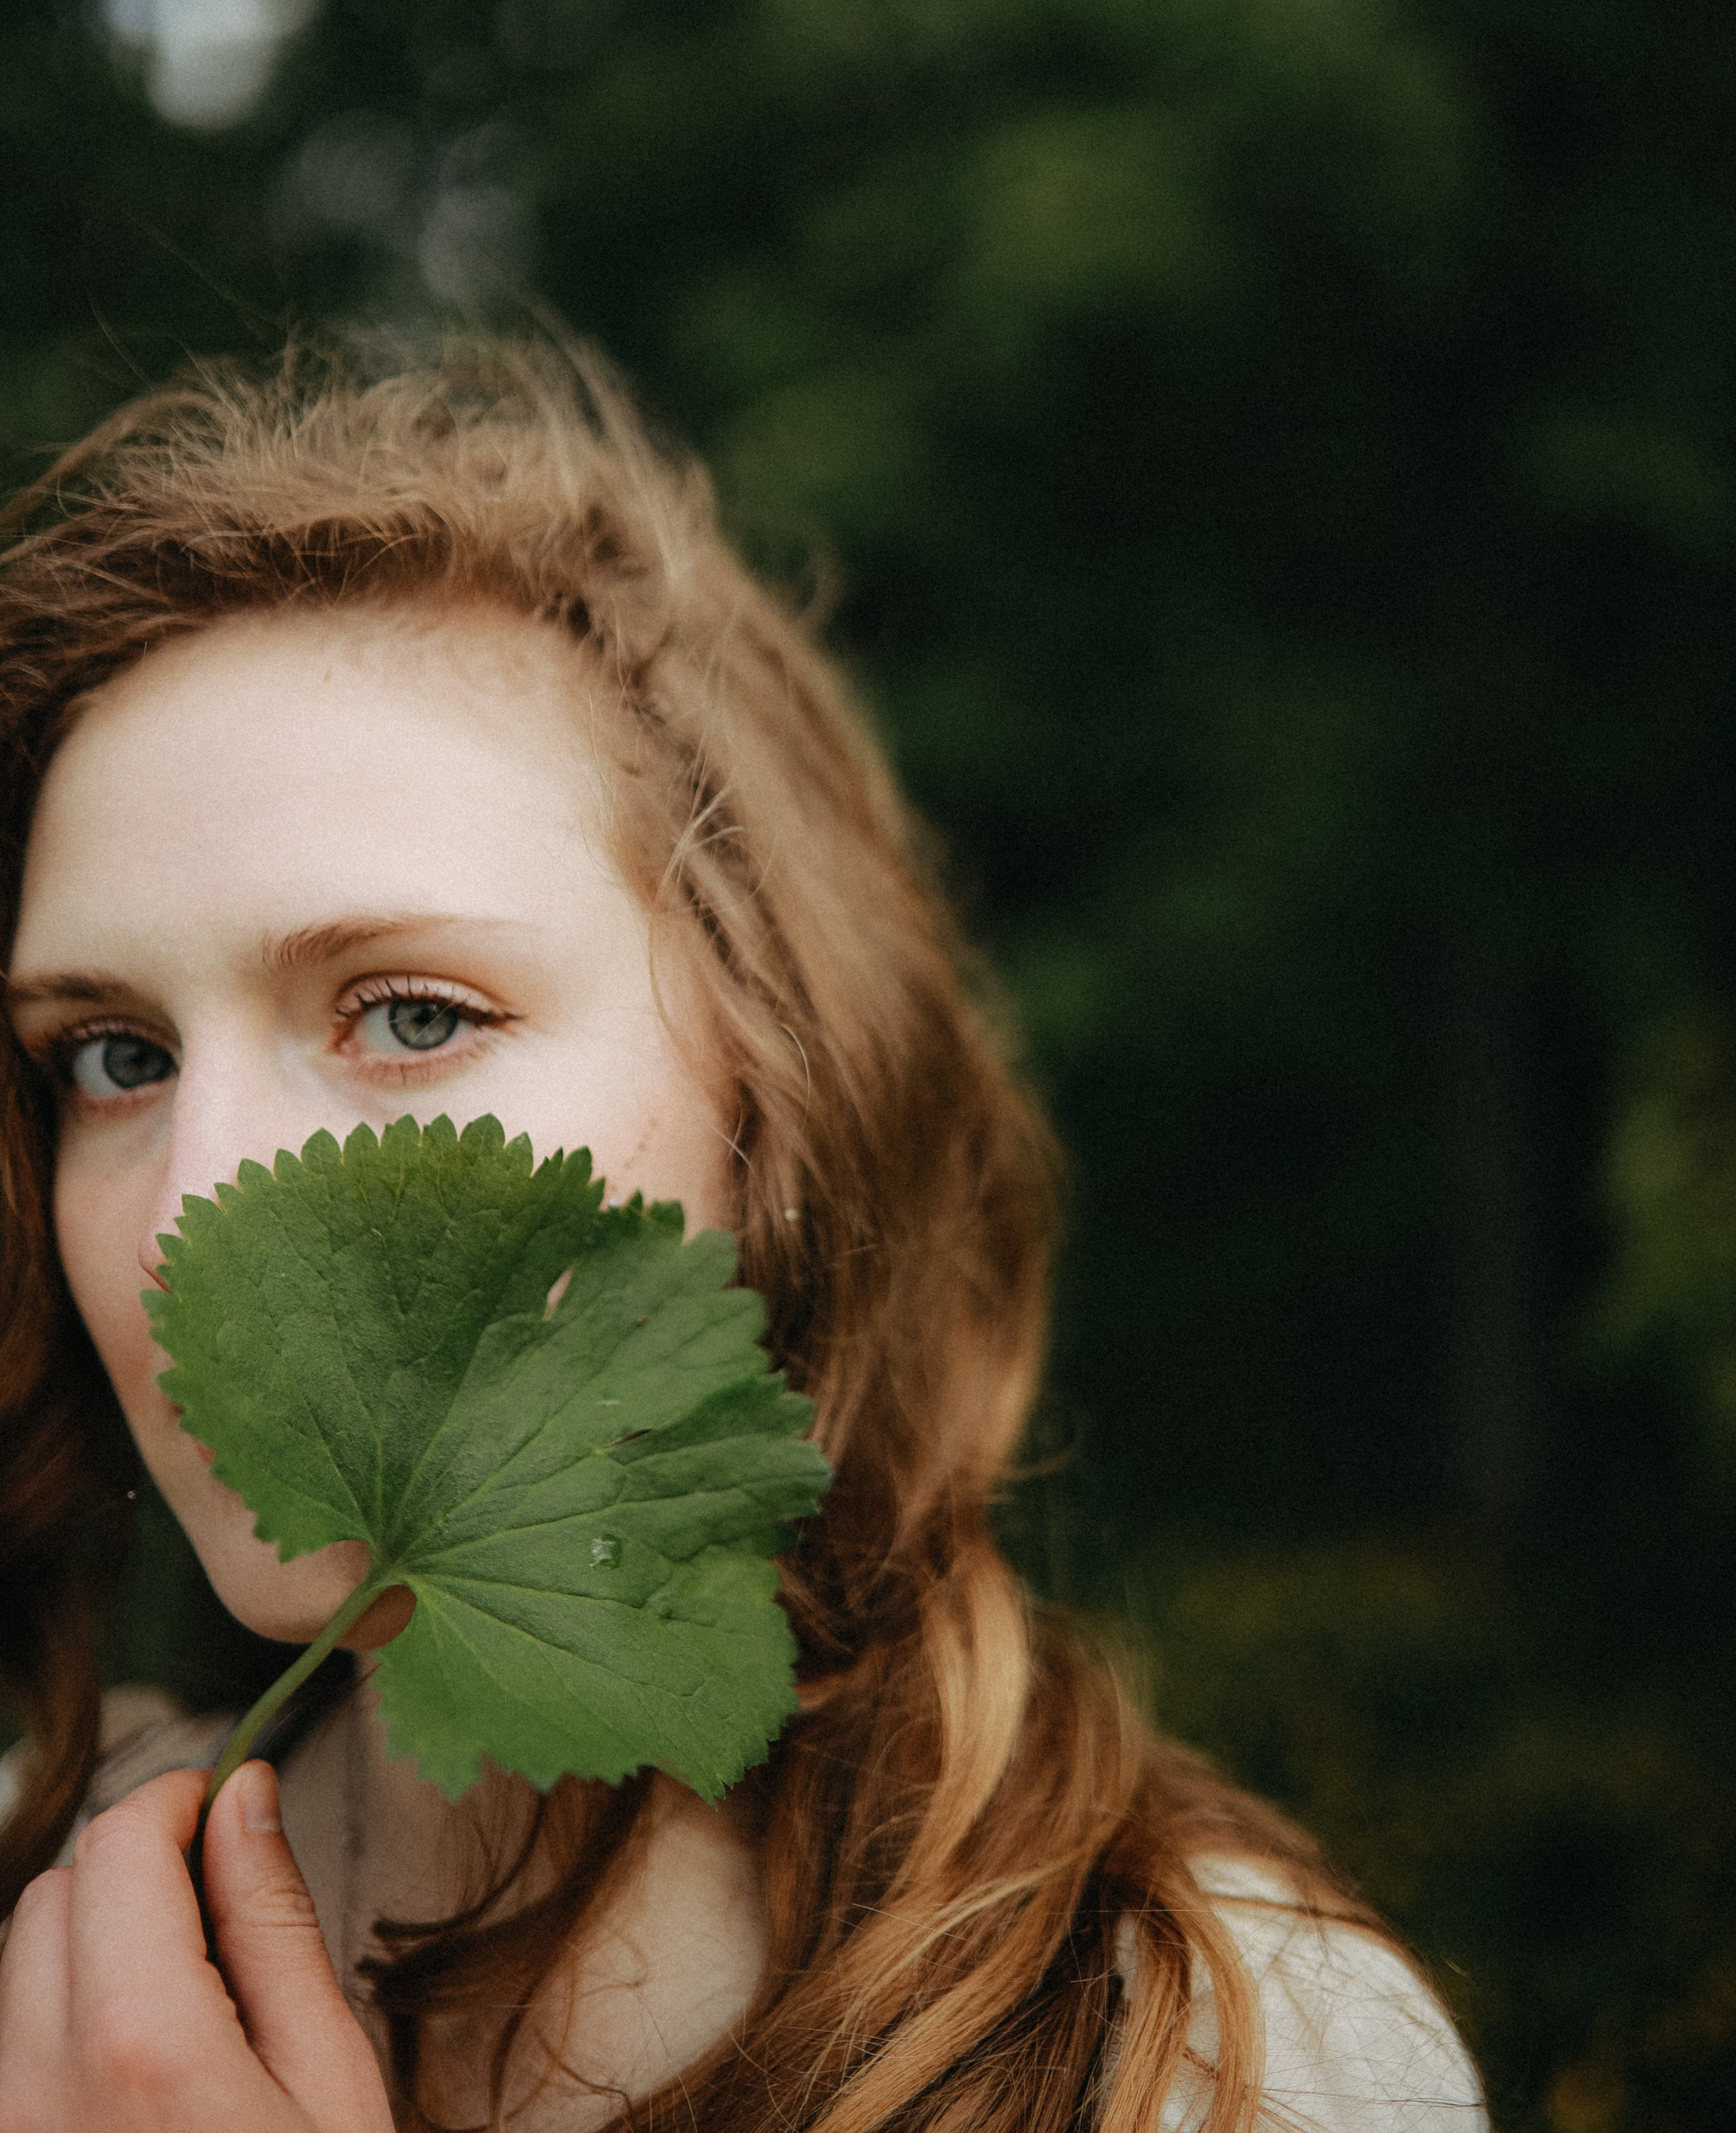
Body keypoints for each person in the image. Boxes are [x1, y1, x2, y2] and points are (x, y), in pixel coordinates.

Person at [0, 344, 1486, 2132]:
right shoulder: (38, 1915)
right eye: (113, 1055)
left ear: (770, 1099)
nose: (183, 1214)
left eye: (409, 1018)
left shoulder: (1219, 2052)